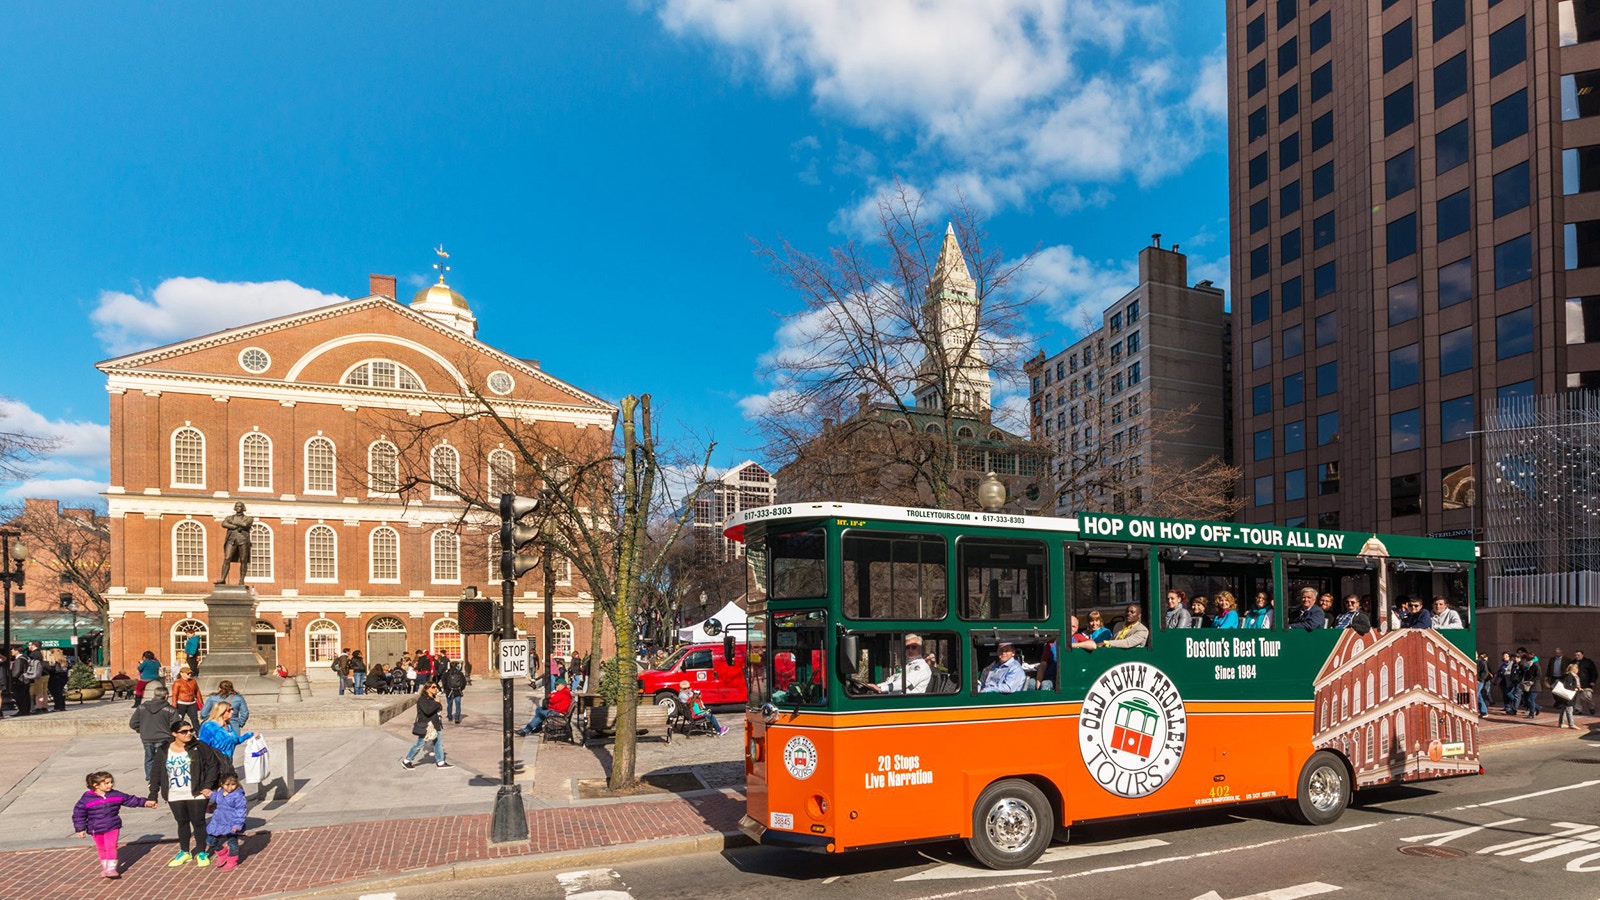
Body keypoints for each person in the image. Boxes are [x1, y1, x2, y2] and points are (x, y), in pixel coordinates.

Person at [148, 717, 225, 867]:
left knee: (198, 822)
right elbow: (156, 772)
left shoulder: (200, 746)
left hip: (196, 792)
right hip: (174, 793)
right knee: (182, 822)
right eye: (184, 732)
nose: (189, 734)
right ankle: (184, 852)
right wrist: (153, 795)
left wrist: (208, 785)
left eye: (190, 730)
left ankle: (202, 852)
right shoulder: (164, 750)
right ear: (174, 734)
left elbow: (212, 766)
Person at [72, 770, 157, 879]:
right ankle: (105, 868)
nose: (110, 785)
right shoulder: (86, 799)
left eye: (111, 782)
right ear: (96, 785)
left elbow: (130, 800)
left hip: (112, 826)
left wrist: (146, 803)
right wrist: (80, 829)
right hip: (95, 828)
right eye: (106, 783)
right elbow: (79, 814)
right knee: (101, 848)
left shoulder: (115, 795)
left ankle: (111, 869)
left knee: (111, 846)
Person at [130, 683, 178, 782]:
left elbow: (133, 723)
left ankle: (150, 777)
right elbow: (176, 725)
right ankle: (163, 776)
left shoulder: (142, 707)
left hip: (147, 737)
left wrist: (141, 730)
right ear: (166, 696)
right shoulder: (170, 709)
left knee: (149, 758)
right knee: (164, 758)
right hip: (164, 737)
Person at [402, 682, 452, 769]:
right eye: (433, 687)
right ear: (426, 688)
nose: (435, 689)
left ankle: (440, 762)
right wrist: (436, 703)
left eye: (436, 687)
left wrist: (437, 703)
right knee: (419, 744)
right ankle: (407, 760)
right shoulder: (422, 699)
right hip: (427, 725)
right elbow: (427, 711)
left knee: (438, 743)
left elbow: (438, 708)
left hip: (435, 724)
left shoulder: (433, 698)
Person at [204, 772, 248, 870]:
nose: (230, 787)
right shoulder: (221, 792)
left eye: (233, 784)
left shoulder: (238, 795)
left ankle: (232, 860)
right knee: (210, 840)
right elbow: (217, 798)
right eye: (227, 785)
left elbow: (241, 810)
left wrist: (237, 824)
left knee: (232, 843)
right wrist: (211, 794)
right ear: (222, 784)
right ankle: (223, 853)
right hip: (218, 821)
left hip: (231, 822)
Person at [216, 501, 253, 585]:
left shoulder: (248, 518)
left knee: (243, 560)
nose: (238, 508)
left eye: (240, 506)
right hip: (231, 540)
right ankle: (222, 578)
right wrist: (236, 526)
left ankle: (241, 580)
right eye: (236, 506)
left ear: (243, 508)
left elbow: (245, 524)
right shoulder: (230, 517)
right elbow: (224, 524)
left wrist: (232, 523)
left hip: (243, 540)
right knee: (227, 558)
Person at [1556, 663, 1582, 730]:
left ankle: (1561, 723)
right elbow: (1567, 686)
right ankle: (1571, 724)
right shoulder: (1570, 676)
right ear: (1574, 669)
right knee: (1569, 709)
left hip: (1565, 695)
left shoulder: (1566, 675)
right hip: (1568, 695)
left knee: (1564, 709)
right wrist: (1576, 688)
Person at [6, 646, 30, 717]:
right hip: (26, 679)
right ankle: (26, 710)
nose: (11, 651)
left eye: (12, 650)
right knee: (25, 696)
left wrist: (12, 679)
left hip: (20, 681)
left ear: (17, 651)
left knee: (20, 696)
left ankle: (22, 710)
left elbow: (17, 671)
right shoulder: (26, 658)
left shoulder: (19, 660)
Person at [1519, 649, 1542, 718]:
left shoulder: (1535, 665)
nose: (1525, 660)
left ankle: (1531, 714)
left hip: (1534, 685)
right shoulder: (1526, 665)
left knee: (1530, 699)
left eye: (1526, 659)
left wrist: (1533, 681)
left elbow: (1539, 675)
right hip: (1526, 684)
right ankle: (1538, 707)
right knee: (1526, 700)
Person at [1575, 650, 1598, 716]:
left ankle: (1591, 707)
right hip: (1576, 683)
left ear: (1582, 655)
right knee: (1577, 697)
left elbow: (1594, 672)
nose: (1577, 656)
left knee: (1587, 696)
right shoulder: (1573, 662)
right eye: (1576, 655)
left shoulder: (1588, 662)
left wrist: (1593, 681)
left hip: (1586, 683)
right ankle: (1578, 709)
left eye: (1578, 655)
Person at [1475, 652, 1493, 718]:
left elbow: (1485, 672)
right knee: (1479, 696)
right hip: (1474, 681)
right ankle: (1484, 711)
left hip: (1479, 682)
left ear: (1477, 655)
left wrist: (1479, 679)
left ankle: (1482, 711)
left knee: (1475, 695)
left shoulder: (1481, 662)